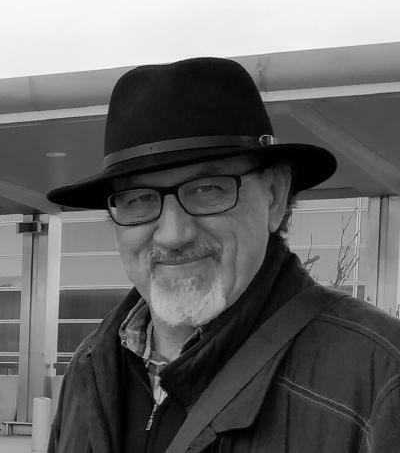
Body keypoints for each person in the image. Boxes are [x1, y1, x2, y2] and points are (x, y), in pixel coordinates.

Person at [47, 58, 400, 453]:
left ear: (274, 196)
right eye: (139, 199)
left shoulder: (379, 378)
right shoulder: (90, 367)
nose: (173, 234)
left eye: (208, 189)